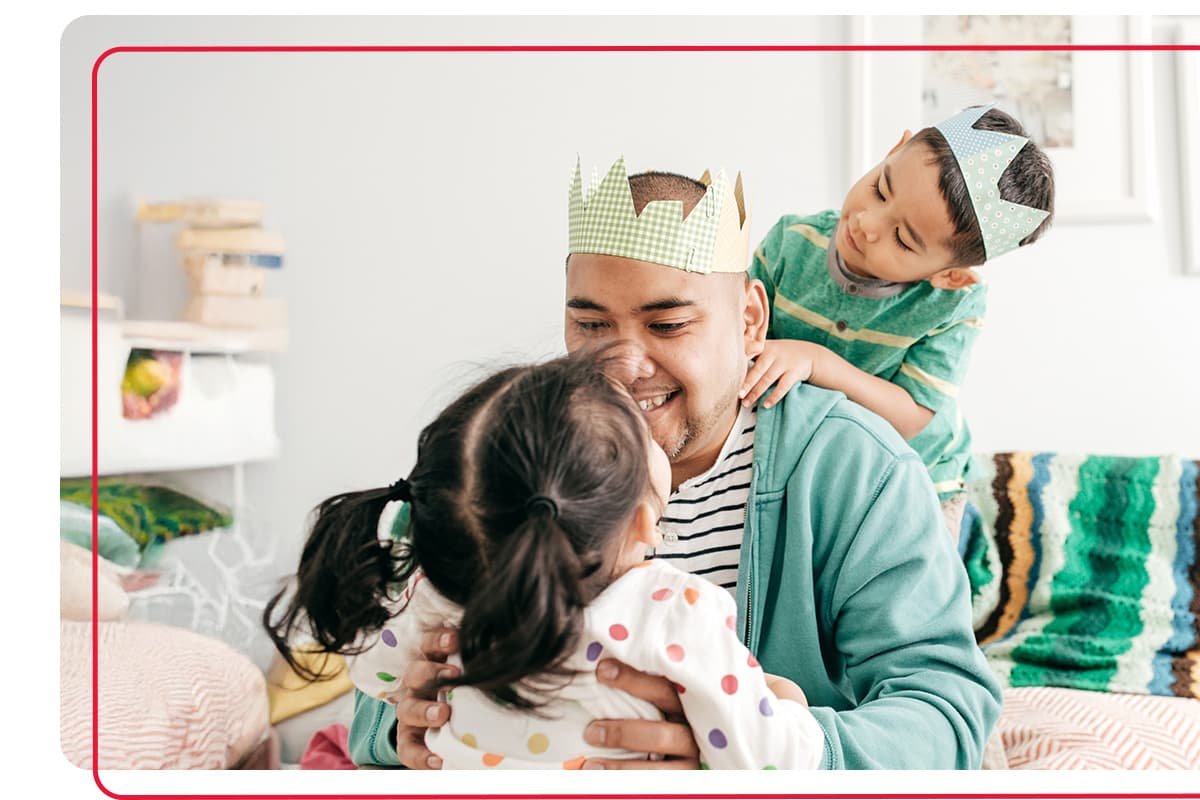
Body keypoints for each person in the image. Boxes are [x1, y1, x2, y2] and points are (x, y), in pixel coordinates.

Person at [348, 156, 1004, 769]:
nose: (625, 366)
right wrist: (401, 728)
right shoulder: (506, 448)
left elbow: (949, 713)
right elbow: (379, 687)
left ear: (750, 321)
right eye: (592, 326)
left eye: (668, 326)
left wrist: (746, 751)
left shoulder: (855, 467)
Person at [265, 347, 825, 769]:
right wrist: (790, 707)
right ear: (644, 522)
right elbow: (768, 764)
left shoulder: (442, 590)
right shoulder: (675, 613)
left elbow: (375, 674)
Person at [739, 105, 1055, 542]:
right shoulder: (792, 243)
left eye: (903, 240)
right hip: (811, 461)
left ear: (948, 275)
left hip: (917, 475)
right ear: (894, 149)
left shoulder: (953, 303)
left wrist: (817, 361)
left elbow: (912, 416)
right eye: (880, 188)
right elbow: (736, 335)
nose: (867, 223)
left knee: (915, 592)